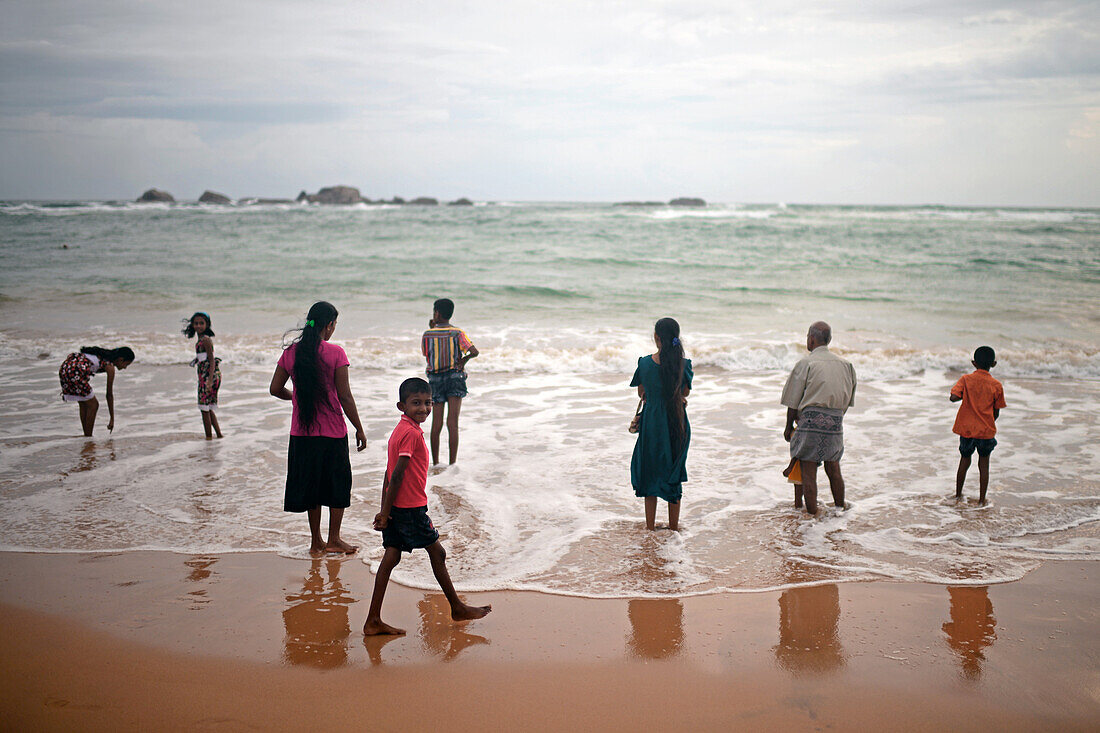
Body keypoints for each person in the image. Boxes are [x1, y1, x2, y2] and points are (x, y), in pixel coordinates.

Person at [363, 377, 491, 635]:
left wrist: (384, 510)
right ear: (402, 406)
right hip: (410, 509)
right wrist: (385, 512)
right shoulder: (410, 434)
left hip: (398, 508)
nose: (423, 408)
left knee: (392, 556)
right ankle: (456, 608)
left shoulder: (400, 430)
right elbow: (396, 475)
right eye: (416, 403)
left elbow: (387, 474)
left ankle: (373, 620)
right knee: (438, 553)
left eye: (428, 402)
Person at [269, 301, 367, 555]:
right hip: (332, 431)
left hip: (302, 434)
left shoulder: (292, 352)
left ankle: (316, 542)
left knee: (312, 486)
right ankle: (334, 538)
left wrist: (298, 398)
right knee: (336, 484)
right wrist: (359, 427)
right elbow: (345, 396)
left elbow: (274, 389)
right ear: (330, 325)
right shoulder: (336, 353)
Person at [781, 321, 856, 516]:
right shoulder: (846, 365)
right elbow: (847, 399)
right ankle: (840, 510)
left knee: (808, 472)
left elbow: (793, 400)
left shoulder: (806, 363)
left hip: (810, 420)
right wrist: (834, 418)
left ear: (812, 339)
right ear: (828, 340)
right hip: (836, 420)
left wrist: (788, 427)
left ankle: (812, 517)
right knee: (834, 469)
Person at [630, 317, 693, 531]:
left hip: (652, 422)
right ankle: (674, 528)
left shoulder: (645, 363)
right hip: (676, 421)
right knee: (672, 471)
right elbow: (684, 392)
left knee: (650, 471)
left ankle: (650, 528)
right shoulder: (683, 365)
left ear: (656, 337)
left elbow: (642, 392)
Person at [421, 298, 479, 465]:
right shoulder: (458, 333)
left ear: (437, 314)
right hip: (455, 377)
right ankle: (453, 463)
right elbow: (474, 351)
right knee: (452, 423)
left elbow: (426, 354)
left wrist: (432, 328)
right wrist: (463, 361)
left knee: (436, 423)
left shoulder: (428, 334)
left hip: (435, 380)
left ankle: (436, 462)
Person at [950, 346, 1005, 505]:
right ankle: (982, 500)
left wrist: (963, 395)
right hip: (985, 431)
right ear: (993, 364)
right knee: (984, 465)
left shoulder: (966, 379)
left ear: (974, 363)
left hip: (967, 429)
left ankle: (958, 495)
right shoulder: (996, 385)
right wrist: (988, 422)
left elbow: (953, 397)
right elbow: (996, 413)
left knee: (964, 461)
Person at [58, 346, 135, 436]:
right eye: (126, 364)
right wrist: (112, 419)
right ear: (120, 360)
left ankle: (86, 436)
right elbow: (109, 395)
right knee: (94, 405)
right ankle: (88, 436)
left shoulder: (102, 356)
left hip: (65, 368)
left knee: (84, 403)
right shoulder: (109, 366)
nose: (125, 368)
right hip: (76, 371)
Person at [183, 311, 223, 439]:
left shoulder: (205, 340)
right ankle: (218, 435)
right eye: (196, 323)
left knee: (204, 409)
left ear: (207, 325)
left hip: (208, 376)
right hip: (206, 376)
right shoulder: (201, 339)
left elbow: (211, 360)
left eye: (201, 323)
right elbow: (204, 357)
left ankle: (209, 437)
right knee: (208, 408)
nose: (198, 326)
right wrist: (196, 360)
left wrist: (209, 380)